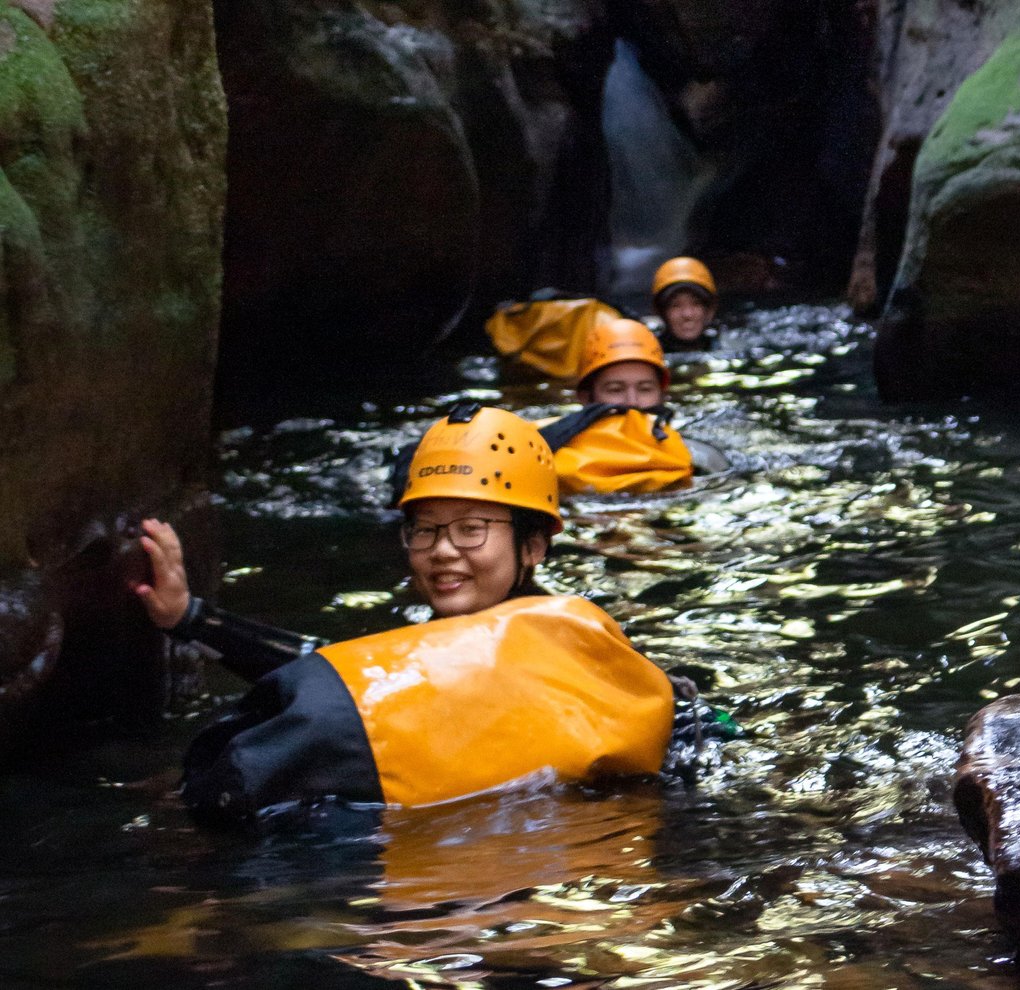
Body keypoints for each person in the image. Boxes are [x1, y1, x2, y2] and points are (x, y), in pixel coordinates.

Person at [134, 405, 695, 827]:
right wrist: (191, 618)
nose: (443, 551)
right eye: (425, 529)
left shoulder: (572, 652)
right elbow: (353, 679)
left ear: (536, 545)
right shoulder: (437, 645)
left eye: (471, 528)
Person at [539, 319, 693, 495]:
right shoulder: (548, 452)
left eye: (645, 389)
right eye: (615, 389)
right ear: (586, 398)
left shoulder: (687, 455)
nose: (632, 402)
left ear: (662, 395)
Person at [652, 256, 718, 352]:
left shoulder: (727, 348)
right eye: (675, 305)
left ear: (709, 310)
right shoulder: (649, 352)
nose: (687, 314)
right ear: (661, 312)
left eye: (696, 304)